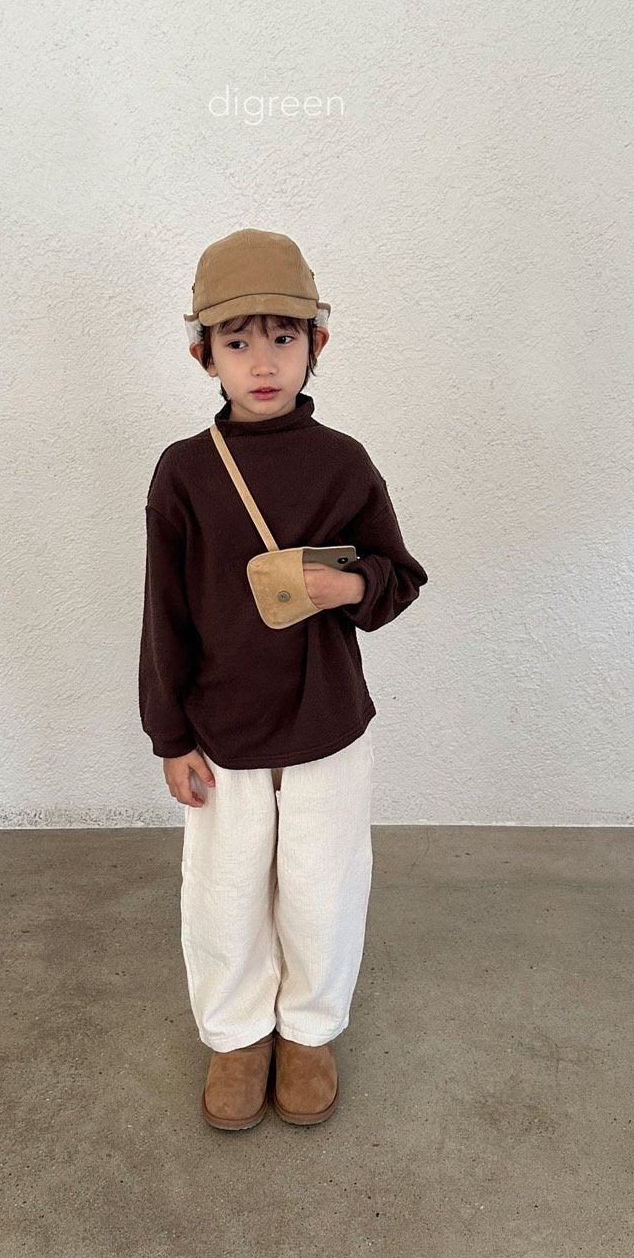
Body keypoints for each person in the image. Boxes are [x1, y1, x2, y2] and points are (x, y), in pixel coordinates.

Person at [139, 228, 428, 1130]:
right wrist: (170, 736)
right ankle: (236, 1036)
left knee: (323, 883)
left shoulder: (343, 462)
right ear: (204, 355)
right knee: (224, 888)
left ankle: (308, 1030)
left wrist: (351, 584)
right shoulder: (184, 473)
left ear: (317, 343)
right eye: (237, 341)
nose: (262, 362)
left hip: (327, 721)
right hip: (221, 724)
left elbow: (399, 575)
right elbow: (163, 613)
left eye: (283, 337)